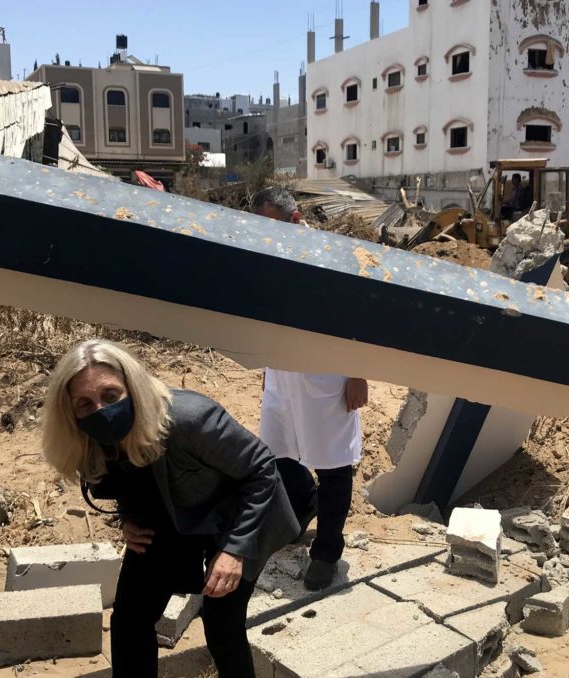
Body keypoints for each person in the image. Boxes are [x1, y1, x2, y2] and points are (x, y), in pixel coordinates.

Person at [42, 340, 298, 677]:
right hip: (170, 516)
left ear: (131, 386)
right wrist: (128, 519)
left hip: (234, 517)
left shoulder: (189, 418)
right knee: (130, 621)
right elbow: (127, 478)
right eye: (85, 403)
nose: (100, 409)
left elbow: (262, 469)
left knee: (222, 625)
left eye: (110, 395)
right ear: (70, 411)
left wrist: (234, 551)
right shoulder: (86, 438)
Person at [251, 187, 369, 591]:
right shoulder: (264, 255)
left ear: (296, 220)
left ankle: (326, 552)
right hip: (282, 373)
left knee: (334, 464)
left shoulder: (328, 256)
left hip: (327, 374)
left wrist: (357, 371)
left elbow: (358, 314)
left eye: (272, 226)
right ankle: (306, 505)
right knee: (278, 453)